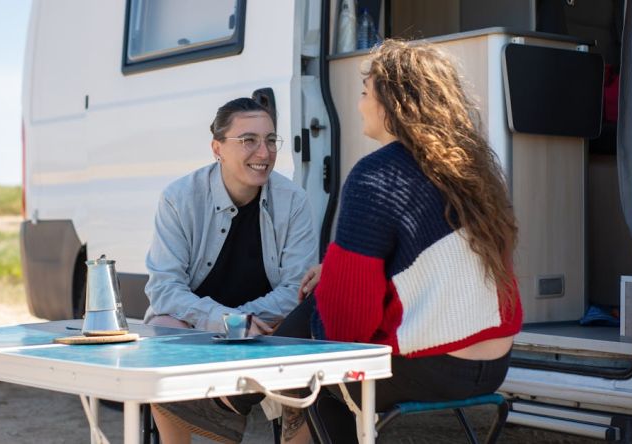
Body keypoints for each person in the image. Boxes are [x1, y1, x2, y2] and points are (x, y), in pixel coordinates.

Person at [287, 39, 524, 441]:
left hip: (429, 368)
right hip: (495, 365)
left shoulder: (375, 174)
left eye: (365, 93)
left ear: (394, 103)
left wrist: (325, 296)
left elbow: (348, 329)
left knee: (300, 358)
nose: (359, 104)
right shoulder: (474, 170)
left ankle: (222, 402)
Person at [144, 97, 319, 443]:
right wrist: (228, 324)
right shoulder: (179, 198)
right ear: (217, 148)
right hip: (199, 326)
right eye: (248, 140)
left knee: (308, 328)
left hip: (269, 326)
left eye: (270, 140)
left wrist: (244, 326)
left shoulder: (293, 200)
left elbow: (296, 289)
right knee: (163, 330)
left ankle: (264, 420)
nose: (264, 152)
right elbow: (164, 288)